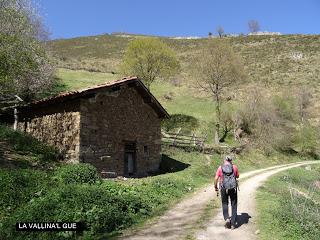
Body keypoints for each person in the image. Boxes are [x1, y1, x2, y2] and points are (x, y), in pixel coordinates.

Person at [214, 155, 239, 229]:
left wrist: (215, 187)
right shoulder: (234, 167)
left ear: (224, 160)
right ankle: (233, 223)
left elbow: (216, 178)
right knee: (233, 204)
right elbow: (237, 176)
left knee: (225, 203)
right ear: (231, 160)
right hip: (233, 188)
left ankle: (227, 219)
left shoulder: (220, 167)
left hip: (223, 188)